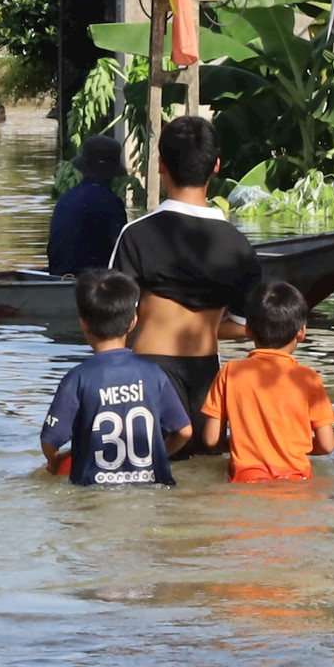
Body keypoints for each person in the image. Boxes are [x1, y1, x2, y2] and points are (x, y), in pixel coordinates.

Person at [109, 114, 261, 448]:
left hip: (149, 378)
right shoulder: (237, 246)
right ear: (216, 166)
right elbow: (249, 326)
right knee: (204, 488)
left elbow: (113, 321)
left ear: (161, 164)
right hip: (208, 384)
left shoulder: (136, 235)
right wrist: (204, 323)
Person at [41, 269, 193, 486]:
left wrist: (55, 462)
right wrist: (157, 457)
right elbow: (184, 432)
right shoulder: (154, 374)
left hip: (94, 494)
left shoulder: (77, 379)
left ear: (83, 324)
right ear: (133, 322)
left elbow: (49, 442)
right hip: (152, 490)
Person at [199, 281, 334, 482]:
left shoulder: (230, 373)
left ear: (248, 330)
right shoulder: (309, 378)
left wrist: (244, 445)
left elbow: (211, 439)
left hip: (246, 481)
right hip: (297, 484)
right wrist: (294, 449)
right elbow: (328, 445)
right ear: (302, 331)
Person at [47, 134, 128, 277]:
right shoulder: (111, 202)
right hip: (91, 281)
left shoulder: (66, 197)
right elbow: (122, 252)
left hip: (57, 275)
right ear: (113, 173)